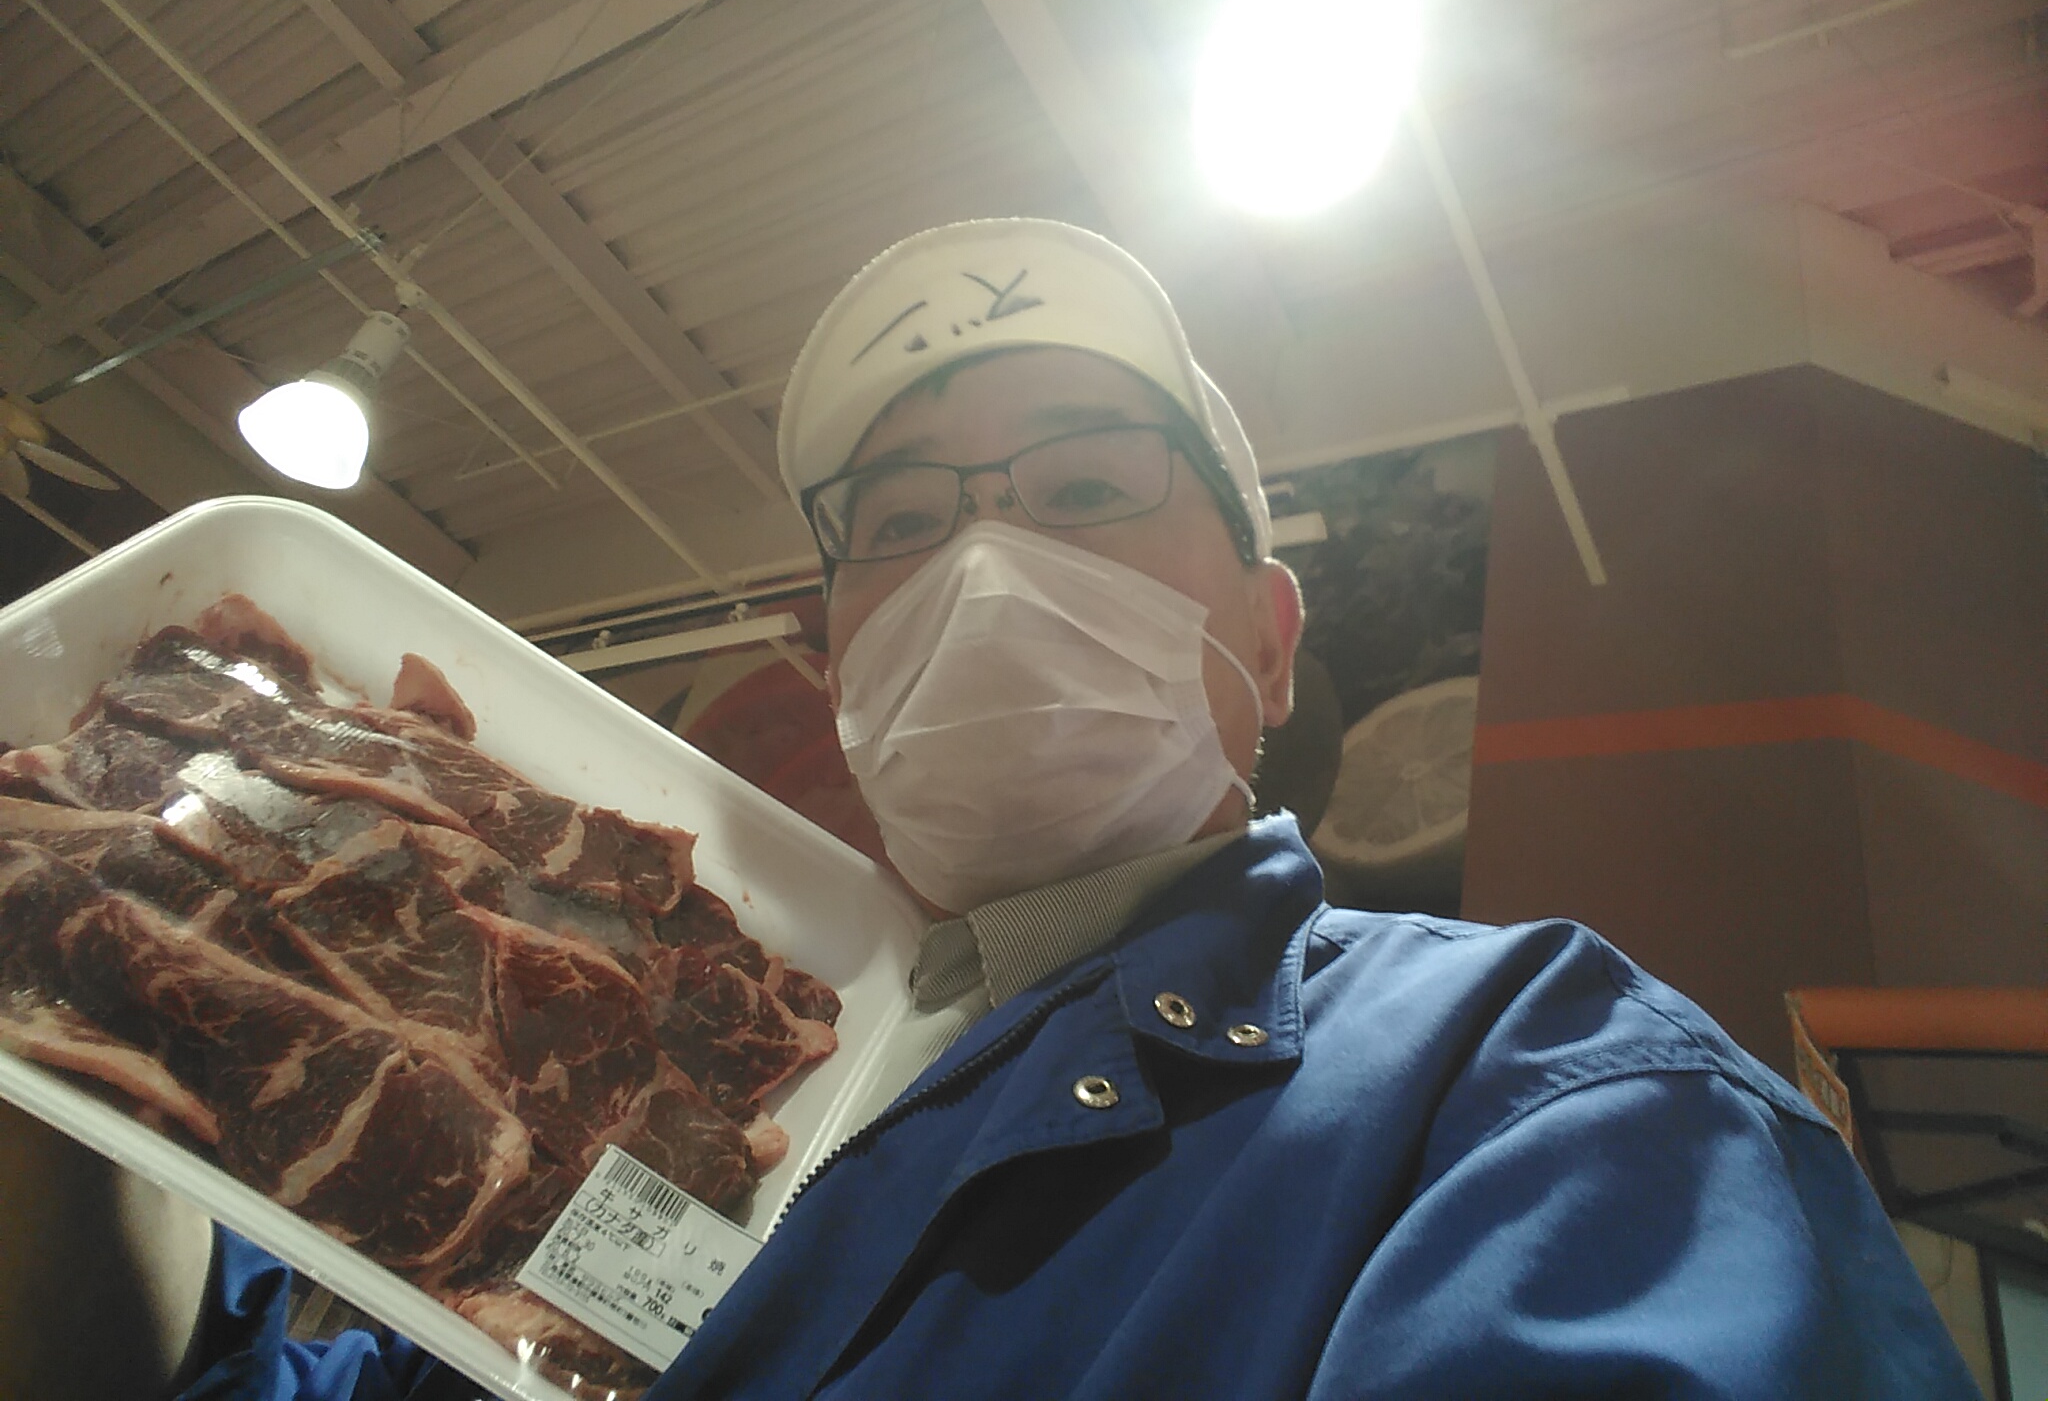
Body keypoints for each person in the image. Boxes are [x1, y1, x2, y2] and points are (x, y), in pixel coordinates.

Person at [21, 218, 1976, 1399]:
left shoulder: (1526, 1088)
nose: (982, 567)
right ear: (837, 666)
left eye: (1085, 489)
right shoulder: (746, 1076)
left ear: (1269, 634)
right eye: (902, 522)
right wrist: (83, 1054)